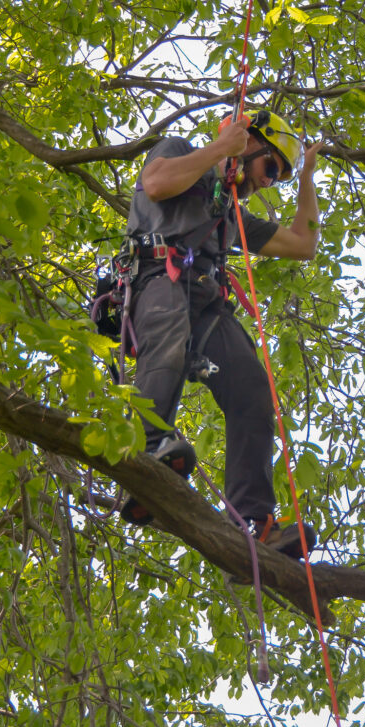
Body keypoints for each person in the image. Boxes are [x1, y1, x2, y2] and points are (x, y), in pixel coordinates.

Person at [118, 109, 321, 559]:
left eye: (280, 177)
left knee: (251, 384)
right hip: (158, 279)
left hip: (206, 300)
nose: (269, 182)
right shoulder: (181, 152)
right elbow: (156, 184)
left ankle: (251, 521)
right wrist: (219, 149)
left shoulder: (231, 215)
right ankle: (147, 451)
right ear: (249, 143)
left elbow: (302, 245)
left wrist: (305, 180)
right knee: (168, 343)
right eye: (271, 167)